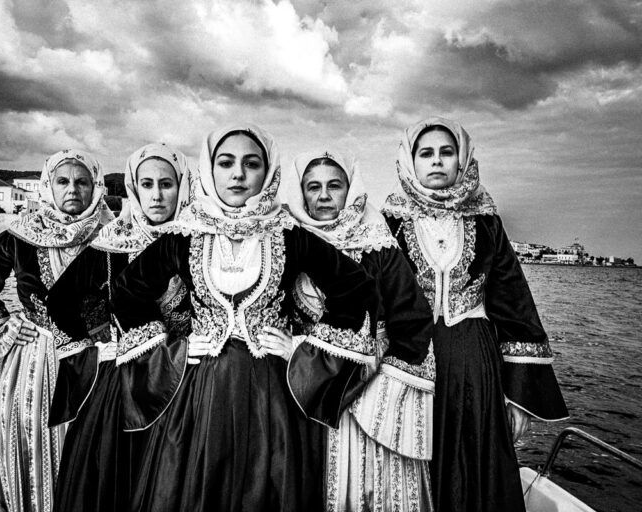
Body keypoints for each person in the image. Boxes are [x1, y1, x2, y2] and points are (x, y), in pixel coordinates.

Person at [112, 124, 377, 512]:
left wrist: (303, 348)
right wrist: (174, 348)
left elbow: (357, 288)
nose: (238, 174)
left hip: (271, 393)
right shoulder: (185, 234)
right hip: (200, 393)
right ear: (210, 170)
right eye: (226, 162)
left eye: (251, 164)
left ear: (267, 173)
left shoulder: (290, 234)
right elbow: (126, 294)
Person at [381, 117, 569, 512]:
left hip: (475, 368)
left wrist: (517, 397)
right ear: (409, 161)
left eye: (446, 153)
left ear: (462, 160)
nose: (436, 162)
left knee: (477, 466)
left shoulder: (486, 222)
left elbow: (514, 305)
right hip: (408, 367)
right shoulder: (389, 225)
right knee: (413, 464)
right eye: (426, 153)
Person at [0, 149, 114, 512]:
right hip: (37, 361)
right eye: (63, 181)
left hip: (98, 359)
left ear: (96, 187)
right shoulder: (22, 236)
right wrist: (9, 323)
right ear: (48, 187)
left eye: (82, 181)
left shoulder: (114, 236)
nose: (72, 189)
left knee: (94, 447)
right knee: (33, 444)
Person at [284, 149, 435, 511]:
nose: (323, 196)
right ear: (299, 192)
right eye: (313, 187)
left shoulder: (377, 245)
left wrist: (372, 388)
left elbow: (412, 321)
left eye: (334, 186)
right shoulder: (286, 241)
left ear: (350, 190)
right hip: (301, 391)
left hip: (368, 395)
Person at [52, 142, 192, 512]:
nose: (157, 195)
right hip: (123, 383)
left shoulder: (198, 239)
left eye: (167, 184)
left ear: (184, 187)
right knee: (114, 479)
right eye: (147, 185)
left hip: (187, 381)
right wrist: (102, 332)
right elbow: (62, 301)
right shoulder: (112, 244)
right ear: (133, 189)